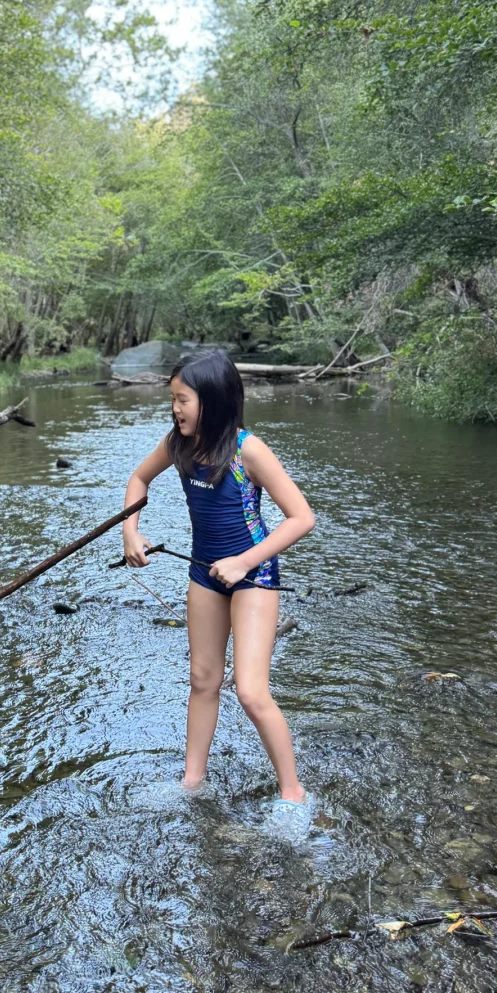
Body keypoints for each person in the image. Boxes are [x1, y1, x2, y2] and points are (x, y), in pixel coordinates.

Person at [122, 351, 316, 834]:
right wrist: (131, 531)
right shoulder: (178, 445)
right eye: (172, 399)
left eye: (183, 399)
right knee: (203, 680)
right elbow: (139, 478)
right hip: (204, 572)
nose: (175, 409)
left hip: (254, 576)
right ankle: (193, 781)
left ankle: (293, 793)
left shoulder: (248, 450)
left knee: (250, 691)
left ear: (212, 400)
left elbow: (301, 518)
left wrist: (245, 561)